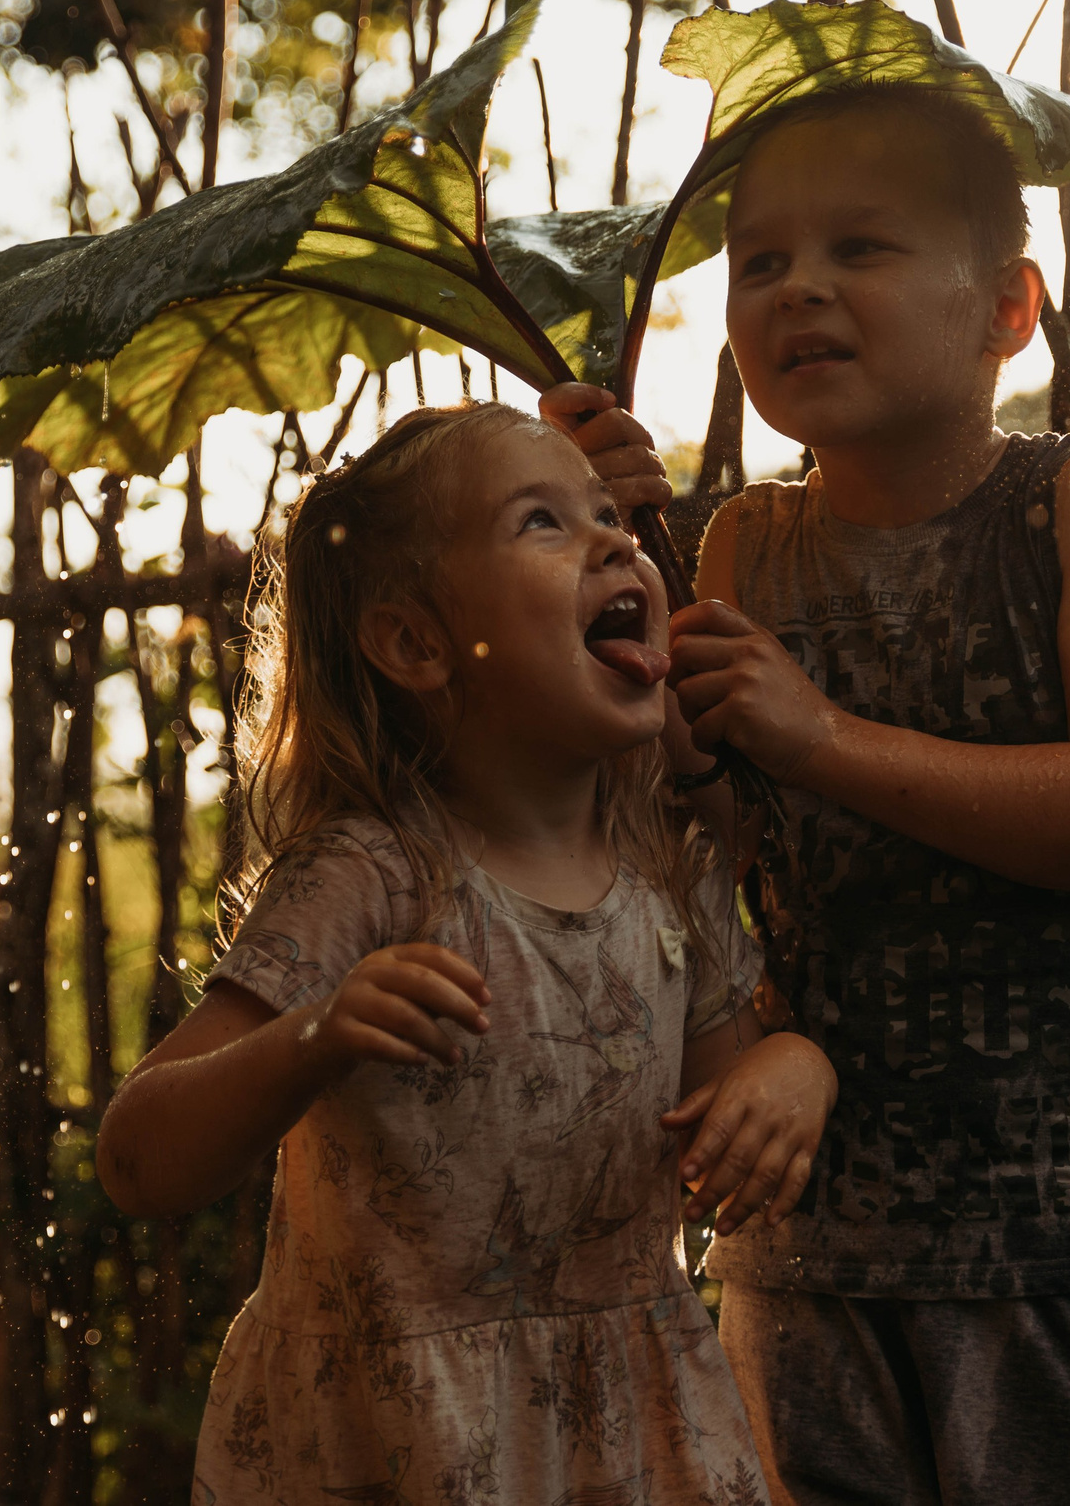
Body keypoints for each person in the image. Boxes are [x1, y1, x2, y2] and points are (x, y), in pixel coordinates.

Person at [545, 84, 1070, 1506]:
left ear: (1009, 310)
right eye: (762, 262)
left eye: (863, 246)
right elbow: (702, 838)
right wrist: (604, 554)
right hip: (805, 1242)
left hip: (1060, 1239)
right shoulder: (739, 543)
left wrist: (819, 732)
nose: (802, 290)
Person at [95, 401, 836, 1506]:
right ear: (414, 643)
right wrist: (313, 1038)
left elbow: (722, 1103)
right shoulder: (375, 878)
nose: (615, 540)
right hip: (395, 1444)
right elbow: (139, 1158)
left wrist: (797, 1070)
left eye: (608, 518)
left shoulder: (666, 878)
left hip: (630, 1434)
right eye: (543, 522)